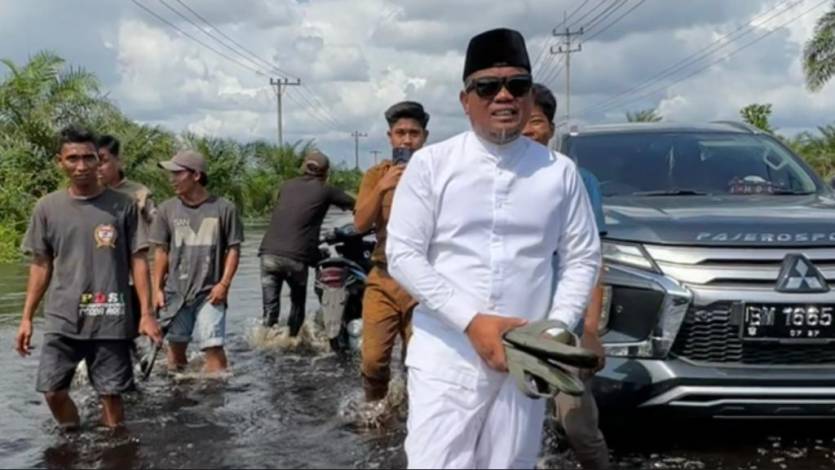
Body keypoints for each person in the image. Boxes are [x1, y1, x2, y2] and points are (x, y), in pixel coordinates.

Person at [386, 28, 601, 468]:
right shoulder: (432, 165)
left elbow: (582, 257)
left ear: (528, 96)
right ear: (466, 100)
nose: (504, 96)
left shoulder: (559, 172)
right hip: (447, 354)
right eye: (488, 86)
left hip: (527, 358)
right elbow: (404, 254)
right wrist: (471, 322)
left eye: (516, 85)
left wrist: (556, 328)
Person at [14, 126, 161, 429]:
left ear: (99, 160)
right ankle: (72, 438)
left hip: (110, 315)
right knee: (53, 391)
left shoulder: (123, 206)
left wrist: (145, 313)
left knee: (111, 396)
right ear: (60, 161)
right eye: (73, 158)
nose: (81, 166)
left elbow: (138, 260)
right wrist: (26, 317)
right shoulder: (48, 207)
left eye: (88, 158)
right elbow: (41, 265)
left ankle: (114, 452)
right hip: (62, 317)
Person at [522, 83, 610, 470]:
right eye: (521, 120)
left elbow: (591, 260)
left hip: (565, 324)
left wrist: (591, 330)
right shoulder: (494, 179)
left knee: (577, 424)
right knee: (517, 424)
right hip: (515, 323)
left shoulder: (576, 179)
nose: (528, 130)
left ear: (551, 128)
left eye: (536, 121)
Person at [354, 101, 429, 402]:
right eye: (400, 133)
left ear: (425, 136)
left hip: (423, 283)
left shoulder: (436, 173)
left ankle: (415, 416)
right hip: (383, 277)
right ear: (390, 137)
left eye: (414, 133)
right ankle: (376, 414)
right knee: (373, 360)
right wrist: (383, 187)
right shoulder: (376, 175)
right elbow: (360, 223)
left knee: (421, 362)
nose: (407, 140)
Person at [150, 150, 243, 373]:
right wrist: (157, 289)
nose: (172, 179)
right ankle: (178, 395)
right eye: (170, 173)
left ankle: (215, 400)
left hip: (210, 292)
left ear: (196, 175)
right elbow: (161, 252)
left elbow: (233, 249)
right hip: (176, 292)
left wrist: (224, 284)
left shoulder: (224, 208)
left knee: (213, 347)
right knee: (176, 346)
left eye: (177, 173)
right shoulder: (166, 209)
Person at [258, 151, 355, 336]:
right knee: (297, 303)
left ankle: (266, 343)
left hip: (268, 254)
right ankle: (293, 340)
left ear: (304, 167)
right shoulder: (326, 190)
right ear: (326, 172)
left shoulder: (286, 186)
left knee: (270, 311)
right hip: (296, 259)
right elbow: (355, 204)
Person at [98, 134, 157, 336]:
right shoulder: (88, 195)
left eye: (103, 161)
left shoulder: (139, 193)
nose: (98, 167)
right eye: (93, 161)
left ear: (118, 161)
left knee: (140, 331)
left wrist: (160, 280)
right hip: (102, 277)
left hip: (135, 276)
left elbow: (159, 235)